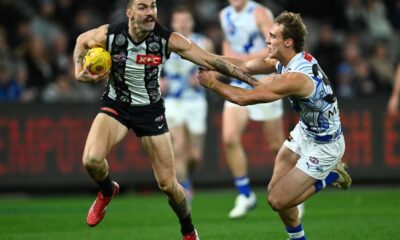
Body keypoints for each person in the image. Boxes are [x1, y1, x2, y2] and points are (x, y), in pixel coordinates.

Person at [73, 0, 257, 239]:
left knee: (169, 186)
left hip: (150, 111)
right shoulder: (109, 35)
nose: (150, 12)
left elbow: (211, 60)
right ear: (129, 13)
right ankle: (108, 191)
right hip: (116, 105)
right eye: (143, 7)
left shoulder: (167, 39)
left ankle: (188, 230)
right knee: (91, 160)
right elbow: (81, 41)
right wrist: (79, 74)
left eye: (153, 6)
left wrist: (252, 81)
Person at [198, 11, 352, 240]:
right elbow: (243, 64)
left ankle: (330, 175)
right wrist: (203, 58)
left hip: (325, 146)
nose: (267, 40)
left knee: (278, 200)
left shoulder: (296, 78)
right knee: (276, 193)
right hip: (305, 132)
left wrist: (212, 84)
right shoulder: (287, 61)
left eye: (272, 36)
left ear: (288, 42)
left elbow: (244, 98)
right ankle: (298, 238)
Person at [219, 0, 287, 219]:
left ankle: (290, 191)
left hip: (264, 79)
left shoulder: (259, 13)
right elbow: (227, 42)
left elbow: (275, 47)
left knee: (276, 144)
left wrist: (242, 60)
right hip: (239, 79)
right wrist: (227, 61)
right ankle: (245, 193)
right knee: (229, 138)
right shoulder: (224, 15)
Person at [160, 6, 214, 207]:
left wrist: (205, 78)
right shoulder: (164, 43)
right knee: (179, 144)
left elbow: (216, 70)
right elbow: (151, 68)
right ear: (173, 23)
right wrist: (159, 82)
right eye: (179, 20)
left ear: (192, 22)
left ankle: (186, 176)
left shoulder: (204, 43)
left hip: (195, 101)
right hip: (172, 100)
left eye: (186, 20)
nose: (182, 24)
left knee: (195, 156)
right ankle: (185, 188)